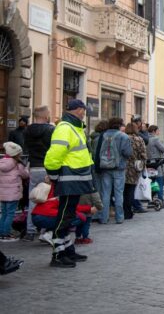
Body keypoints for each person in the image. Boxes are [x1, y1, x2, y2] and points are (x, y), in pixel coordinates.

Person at [44, 99, 94, 268]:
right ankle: (57, 254)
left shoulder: (74, 127)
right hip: (69, 178)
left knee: (69, 215)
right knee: (64, 216)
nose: (84, 113)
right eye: (83, 110)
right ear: (78, 110)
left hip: (75, 178)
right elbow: (55, 153)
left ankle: (67, 249)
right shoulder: (65, 127)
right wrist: (52, 174)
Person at [22, 106, 55, 241]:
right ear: (46, 116)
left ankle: (30, 231)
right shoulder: (50, 129)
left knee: (34, 199)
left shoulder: (27, 130)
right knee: (49, 200)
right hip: (47, 167)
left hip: (34, 167)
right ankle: (44, 231)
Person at [94, 117, 132, 224]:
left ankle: (103, 217)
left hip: (105, 167)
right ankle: (119, 217)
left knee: (105, 193)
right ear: (120, 125)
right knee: (118, 193)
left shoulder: (103, 135)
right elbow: (128, 153)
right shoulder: (123, 136)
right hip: (119, 168)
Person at [0, 142, 29, 241]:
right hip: (13, 193)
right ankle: (6, 233)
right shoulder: (17, 164)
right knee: (10, 214)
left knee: (4, 213)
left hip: (2, 193)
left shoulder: (1, 162)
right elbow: (25, 175)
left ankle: (1, 233)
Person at [146, 125, 164, 208]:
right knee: (159, 182)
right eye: (158, 130)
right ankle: (160, 201)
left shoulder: (146, 139)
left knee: (153, 182)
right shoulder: (155, 139)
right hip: (157, 163)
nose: (159, 132)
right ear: (154, 131)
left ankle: (151, 201)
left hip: (149, 164)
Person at [124, 123, 146, 220]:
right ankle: (128, 212)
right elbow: (143, 155)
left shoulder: (123, 138)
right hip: (134, 168)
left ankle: (123, 211)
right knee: (131, 190)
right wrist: (143, 166)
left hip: (123, 167)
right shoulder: (139, 139)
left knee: (123, 191)